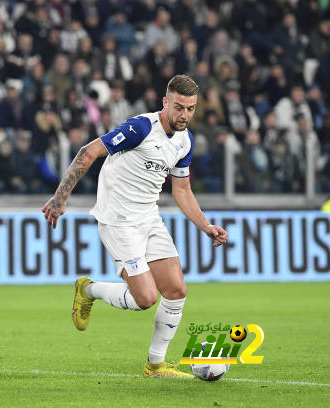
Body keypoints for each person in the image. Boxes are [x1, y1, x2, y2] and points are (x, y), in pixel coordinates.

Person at [42, 74, 228, 378]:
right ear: (165, 102)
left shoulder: (185, 141)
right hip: (118, 219)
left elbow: (182, 190)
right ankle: (88, 290)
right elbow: (88, 152)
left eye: (190, 109)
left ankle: (155, 366)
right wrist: (60, 197)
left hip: (148, 217)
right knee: (145, 299)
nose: (184, 115)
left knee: (177, 290)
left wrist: (205, 226)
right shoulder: (140, 128)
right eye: (179, 107)